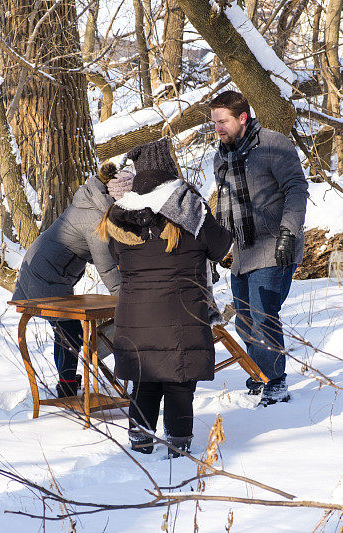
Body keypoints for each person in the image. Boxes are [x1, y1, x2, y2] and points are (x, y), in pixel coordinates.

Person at [98, 140, 232, 457]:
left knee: (145, 380)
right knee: (179, 381)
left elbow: (116, 255)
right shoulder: (190, 210)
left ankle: (141, 442)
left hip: (135, 315)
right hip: (182, 314)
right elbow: (221, 245)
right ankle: (178, 445)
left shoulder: (118, 215)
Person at [209, 90, 309, 406]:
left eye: (223, 122)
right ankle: (260, 370)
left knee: (263, 313)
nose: (218, 129)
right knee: (244, 319)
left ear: (242, 118)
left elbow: (297, 189)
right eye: (214, 123)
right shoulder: (220, 158)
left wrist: (288, 232)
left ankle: (275, 382)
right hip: (243, 250)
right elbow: (223, 203)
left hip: (274, 244)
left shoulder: (273, 145)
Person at [11, 163, 131, 397]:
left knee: (66, 328)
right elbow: (106, 267)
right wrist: (126, 298)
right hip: (42, 277)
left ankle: (69, 378)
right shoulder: (94, 216)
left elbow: (104, 253)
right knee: (69, 327)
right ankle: (67, 384)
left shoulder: (93, 203)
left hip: (46, 275)